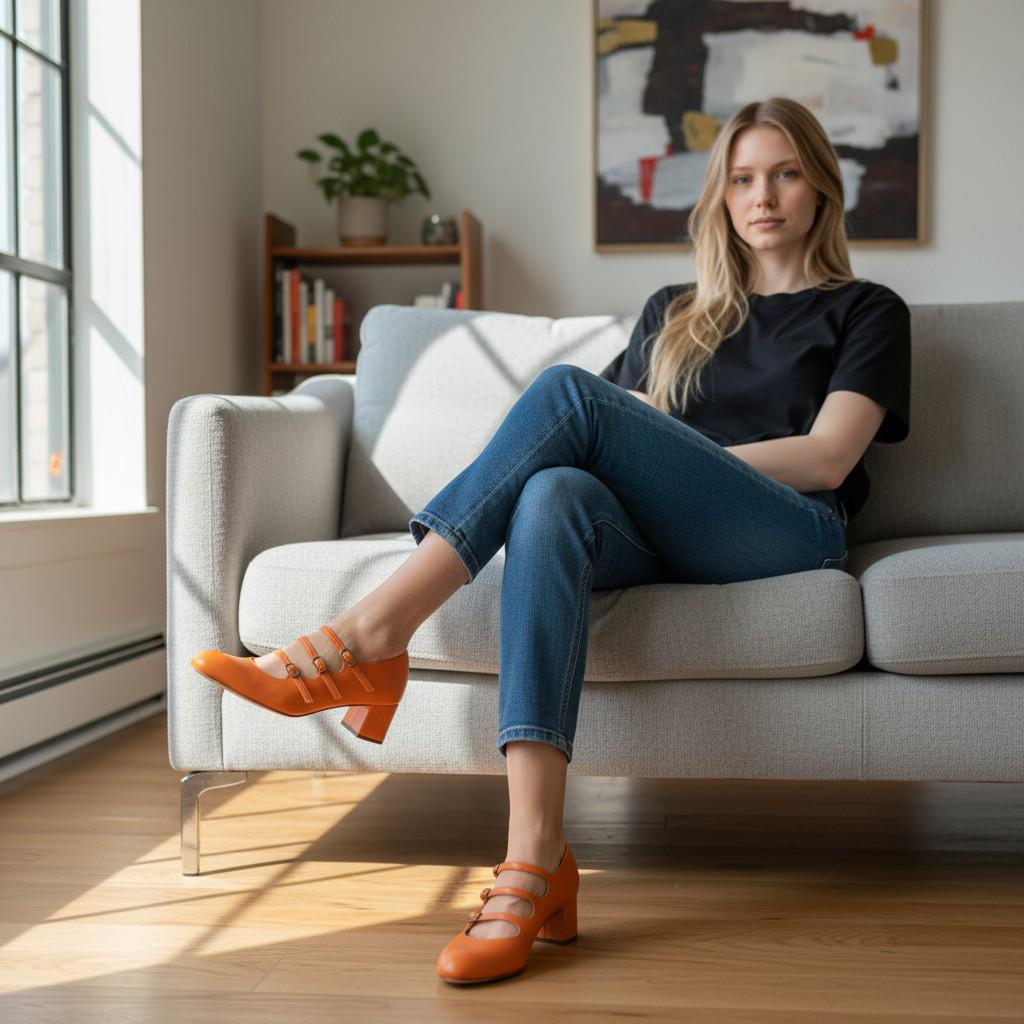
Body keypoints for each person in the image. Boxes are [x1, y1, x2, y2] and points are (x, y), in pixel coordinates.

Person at [191, 95, 911, 986]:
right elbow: (619, 450)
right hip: (663, 534)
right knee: (554, 494)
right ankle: (535, 861)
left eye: (786, 172)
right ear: (721, 197)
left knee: (571, 398)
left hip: (784, 529)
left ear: (821, 188)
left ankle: (371, 635)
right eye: (742, 177)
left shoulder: (866, 309)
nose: (763, 195)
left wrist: (681, 456)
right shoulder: (675, 313)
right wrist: (655, 459)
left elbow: (830, 456)